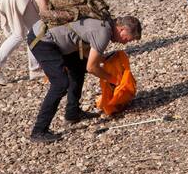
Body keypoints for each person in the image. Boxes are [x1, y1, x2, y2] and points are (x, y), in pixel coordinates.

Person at [27, 12, 142, 143]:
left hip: (52, 36)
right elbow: (92, 67)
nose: (125, 43)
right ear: (122, 29)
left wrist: (104, 59)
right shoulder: (103, 32)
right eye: (127, 39)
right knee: (60, 84)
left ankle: (72, 113)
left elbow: (85, 43)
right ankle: (38, 131)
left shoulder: (106, 22)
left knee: (77, 67)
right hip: (42, 40)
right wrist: (114, 81)